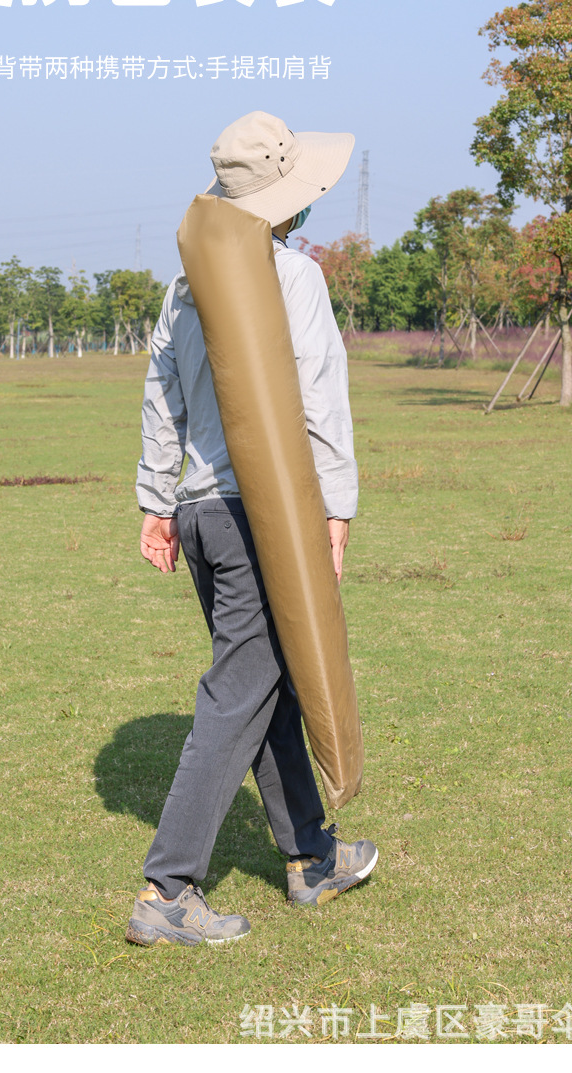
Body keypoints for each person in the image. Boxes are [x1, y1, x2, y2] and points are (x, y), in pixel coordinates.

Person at [127, 111, 377, 948]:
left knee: (267, 687)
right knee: (238, 693)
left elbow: (161, 398)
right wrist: (335, 509)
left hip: (199, 515)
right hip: (259, 516)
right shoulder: (292, 276)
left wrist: (156, 501)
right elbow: (319, 401)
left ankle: (312, 856)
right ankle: (167, 889)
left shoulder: (183, 288)